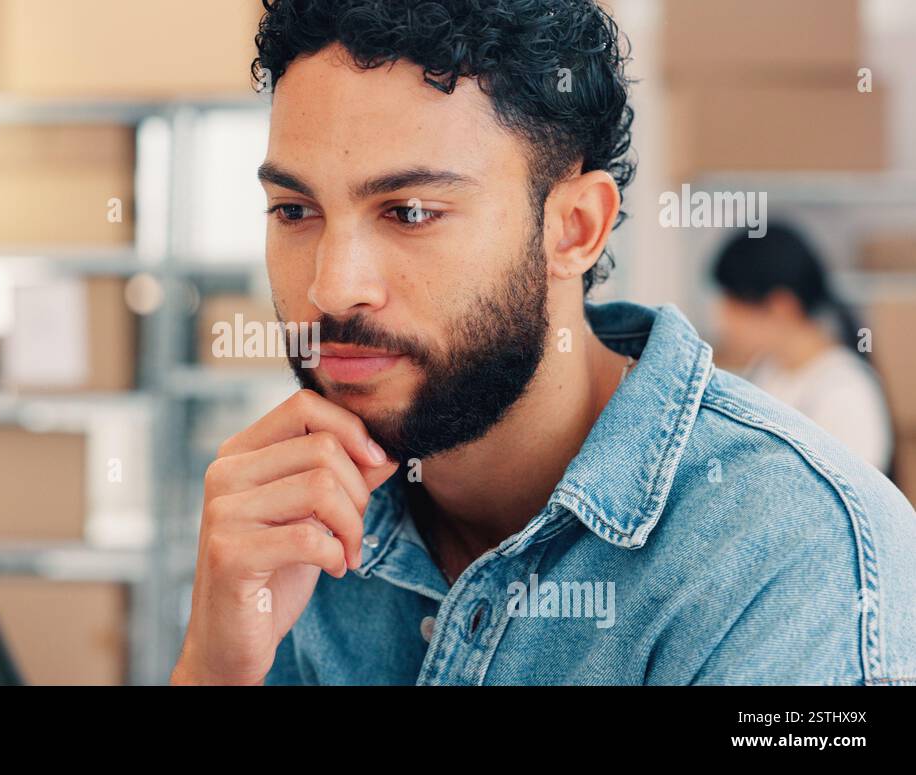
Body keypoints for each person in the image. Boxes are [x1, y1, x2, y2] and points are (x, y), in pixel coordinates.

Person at [171, 0, 916, 685]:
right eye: (296, 210)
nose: (333, 288)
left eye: (411, 211)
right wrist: (211, 666)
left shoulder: (796, 557)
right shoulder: (297, 522)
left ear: (575, 228)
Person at [712, 224, 893, 472]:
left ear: (780, 307)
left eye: (733, 305)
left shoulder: (845, 393)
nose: (723, 321)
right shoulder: (766, 369)